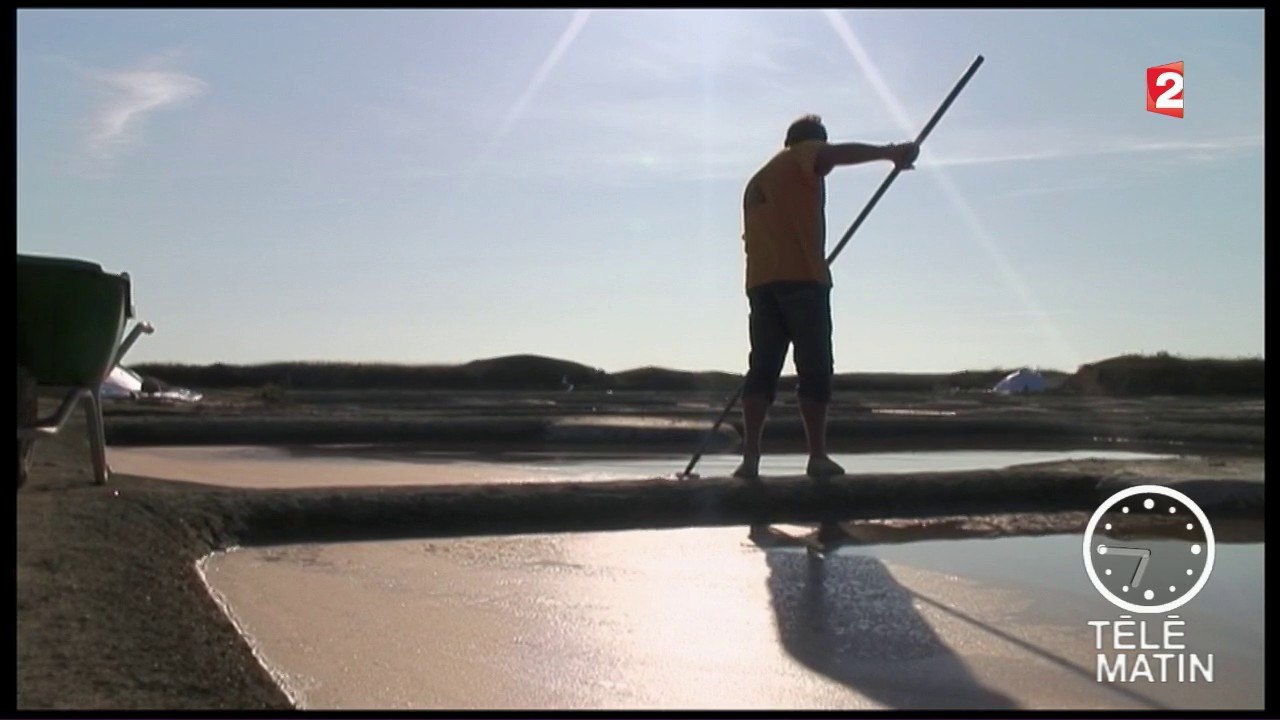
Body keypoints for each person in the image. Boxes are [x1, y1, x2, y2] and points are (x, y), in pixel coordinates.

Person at [735, 114, 918, 481]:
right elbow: (831, 155)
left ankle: (750, 458)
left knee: (762, 370)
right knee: (815, 369)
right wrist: (890, 153)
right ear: (810, 141)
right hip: (802, 281)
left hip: (761, 283)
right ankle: (817, 457)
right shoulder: (802, 156)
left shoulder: (760, 180)